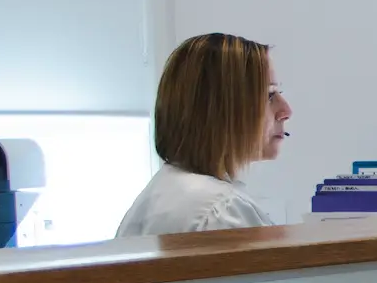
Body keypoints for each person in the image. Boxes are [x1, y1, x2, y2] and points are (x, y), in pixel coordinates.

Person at [117, 33, 293, 236]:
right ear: (221, 109)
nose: (286, 111)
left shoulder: (165, 192)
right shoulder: (220, 213)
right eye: (269, 95)